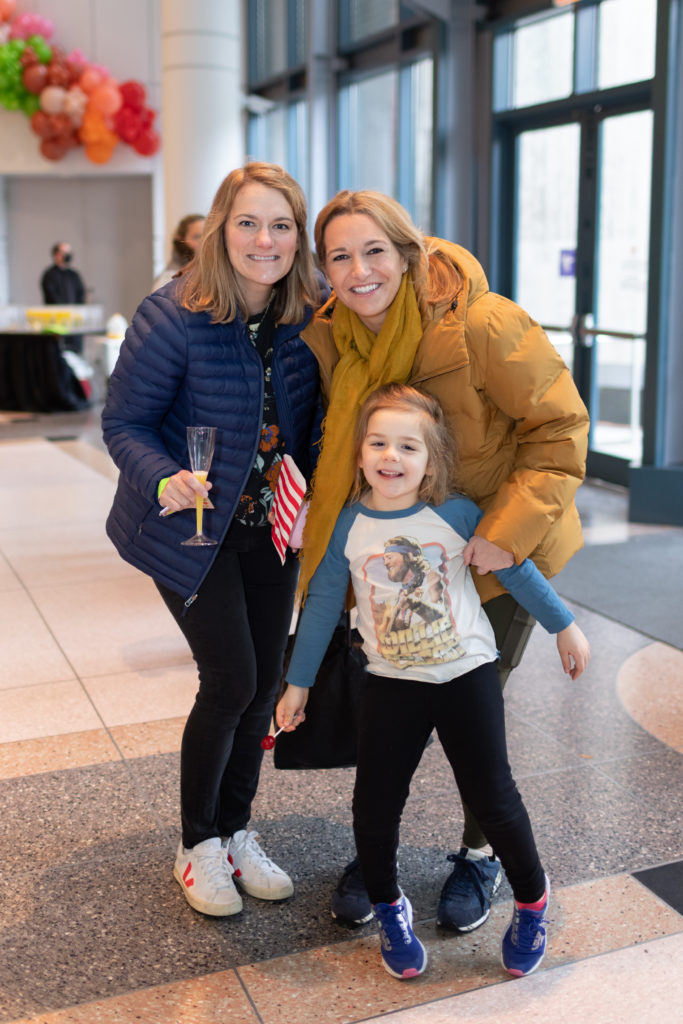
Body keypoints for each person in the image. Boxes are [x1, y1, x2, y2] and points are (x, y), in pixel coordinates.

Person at [298, 189, 590, 931]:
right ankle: (377, 851)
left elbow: (559, 430)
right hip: (394, 560)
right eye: (339, 255)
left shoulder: (483, 324)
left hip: (492, 557)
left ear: (406, 253)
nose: (358, 270)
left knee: (474, 720)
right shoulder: (335, 339)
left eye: (373, 251)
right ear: (323, 269)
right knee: (385, 712)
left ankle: (480, 854)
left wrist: (506, 531)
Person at [277, 383, 590, 980]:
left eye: (407, 446)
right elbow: (321, 603)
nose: (390, 457)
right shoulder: (347, 524)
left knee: (494, 800)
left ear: (432, 459)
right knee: (374, 807)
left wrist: (564, 626)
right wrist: (299, 684)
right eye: (378, 443)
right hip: (391, 684)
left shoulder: (456, 514)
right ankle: (390, 909)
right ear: (360, 452)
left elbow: (516, 572)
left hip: (466, 675)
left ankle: (531, 902)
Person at [102, 162, 322, 917]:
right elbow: (123, 423)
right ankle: (196, 843)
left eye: (281, 225)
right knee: (230, 680)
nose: (265, 240)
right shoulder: (172, 316)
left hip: (271, 528)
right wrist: (164, 477)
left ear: (299, 237)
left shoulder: (308, 315)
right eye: (248, 223)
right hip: (188, 529)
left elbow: (313, 423)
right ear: (219, 230)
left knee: (263, 687)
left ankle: (235, 831)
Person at [40, 241, 86, 353]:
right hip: (57, 324)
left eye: (69, 252)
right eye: (65, 252)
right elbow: (51, 297)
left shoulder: (73, 275)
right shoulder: (49, 275)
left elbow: (81, 294)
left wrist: (77, 312)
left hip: (74, 323)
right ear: (56, 254)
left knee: (75, 352)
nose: (68, 255)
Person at [152, 213, 206, 291]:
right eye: (197, 237)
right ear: (180, 239)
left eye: (207, 236)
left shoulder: (213, 273)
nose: (203, 241)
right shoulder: (168, 279)